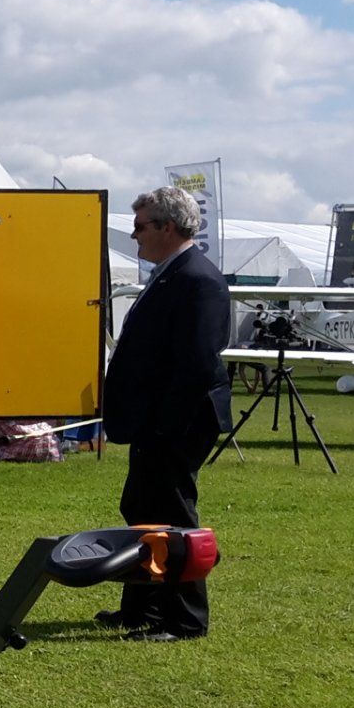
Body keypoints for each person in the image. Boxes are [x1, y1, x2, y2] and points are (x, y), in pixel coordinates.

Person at [100, 184, 232, 641]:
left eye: (140, 227)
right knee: (141, 508)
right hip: (157, 419)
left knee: (172, 516)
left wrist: (164, 425)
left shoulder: (198, 279)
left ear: (167, 227)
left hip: (179, 420)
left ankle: (185, 619)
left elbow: (197, 363)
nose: (135, 236)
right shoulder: (171, 273)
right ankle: (141, 607)